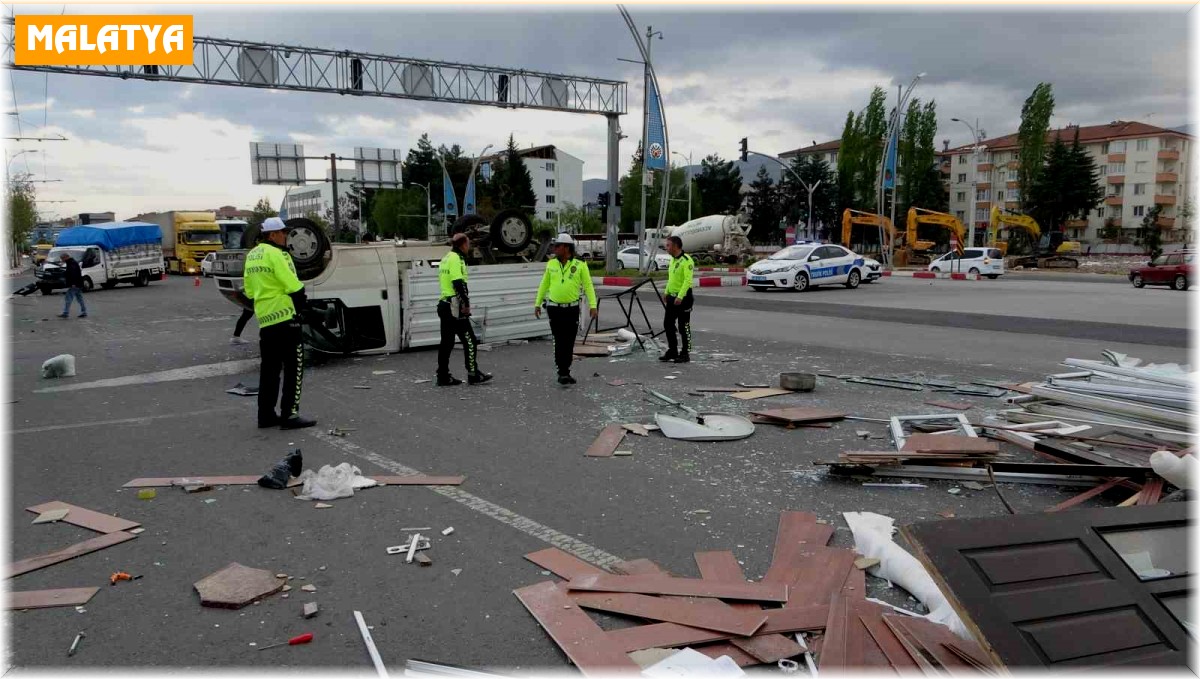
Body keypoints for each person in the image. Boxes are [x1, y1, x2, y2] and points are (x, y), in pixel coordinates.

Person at [243, 217, 316, 430]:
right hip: (285, 318)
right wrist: (301, 306)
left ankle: (265, 415)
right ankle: (289, 415)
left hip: (265, 320)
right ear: (273, 234)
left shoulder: (252, 255)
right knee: (294, 368)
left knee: (269, 370)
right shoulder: (278, 254)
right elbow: (294, 285)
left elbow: (249, 290)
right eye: (284, 233)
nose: (286, 236)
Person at [534, 233, 597, 385]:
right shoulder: (551, 264)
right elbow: (544, 284)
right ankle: (562, 372)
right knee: (559, 340)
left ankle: (565, 370)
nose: (554, 248)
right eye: (554, 246)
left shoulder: (580, 264)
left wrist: (593, 305)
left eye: (557, 246)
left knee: (569, 341)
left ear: (566, 248)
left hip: (571, 309)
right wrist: (537, 303)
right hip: (554, 309)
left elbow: (588, 285)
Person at [436, 233, 492, 386]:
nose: (469, 247)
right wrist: (465, 304)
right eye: (468, 244)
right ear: (463, 245)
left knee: (446, 343)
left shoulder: (446, 257)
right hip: (454, 307)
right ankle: (473, 374)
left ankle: (442, 376)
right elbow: (458, 283)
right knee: (470, 340)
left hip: (444, 305)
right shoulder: (456, 259)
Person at [659, 235, 694, 363]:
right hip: (671, 297)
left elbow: (687, 280)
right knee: (668, 323)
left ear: (675, 246)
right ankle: (672, 350)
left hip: (684, 298)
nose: (666, 248)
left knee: (684, 327)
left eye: (668, 245)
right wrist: (666, 292)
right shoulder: (673, 260)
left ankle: (685, 353)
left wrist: (680, 296)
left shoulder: (687, 260)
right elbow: (671, 278)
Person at [57, 252, 87, 319]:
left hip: (75, 284)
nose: (62, 260)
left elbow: (74, 274)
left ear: (66, 257)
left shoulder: (71, 263)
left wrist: (73, 283)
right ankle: (84, 312)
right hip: (78, 283)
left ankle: (65, 313)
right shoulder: (72, 262)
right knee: (79, 298)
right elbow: (71, 273)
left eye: (62, 258)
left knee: (68, 297)